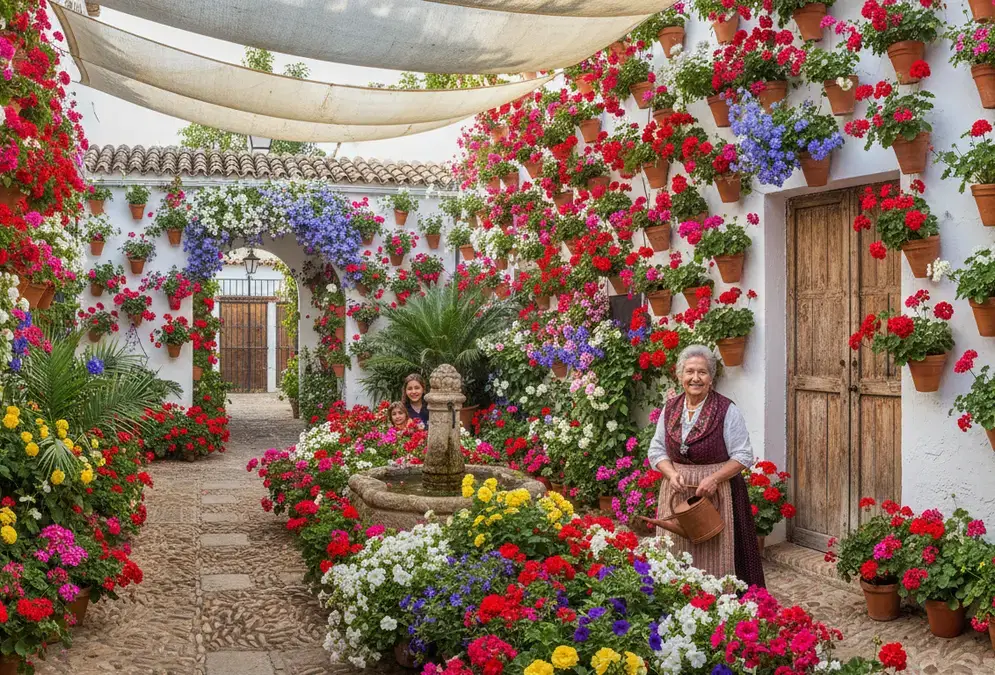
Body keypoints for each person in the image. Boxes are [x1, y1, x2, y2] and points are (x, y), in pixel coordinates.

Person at [646, 344, 765, 589]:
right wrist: (670, 473)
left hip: (716, 494)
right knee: (678, 550)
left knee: (717, 553)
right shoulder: (670, 409)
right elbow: (656, 449)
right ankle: (678, 597)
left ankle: (719, 603)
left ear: (711, 378)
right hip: (677, 492)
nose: (695, 378)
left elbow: (743, 455)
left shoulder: (726, 410)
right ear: (680, 376)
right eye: (689, 372)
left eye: (702, 372)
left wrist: (713, 479)